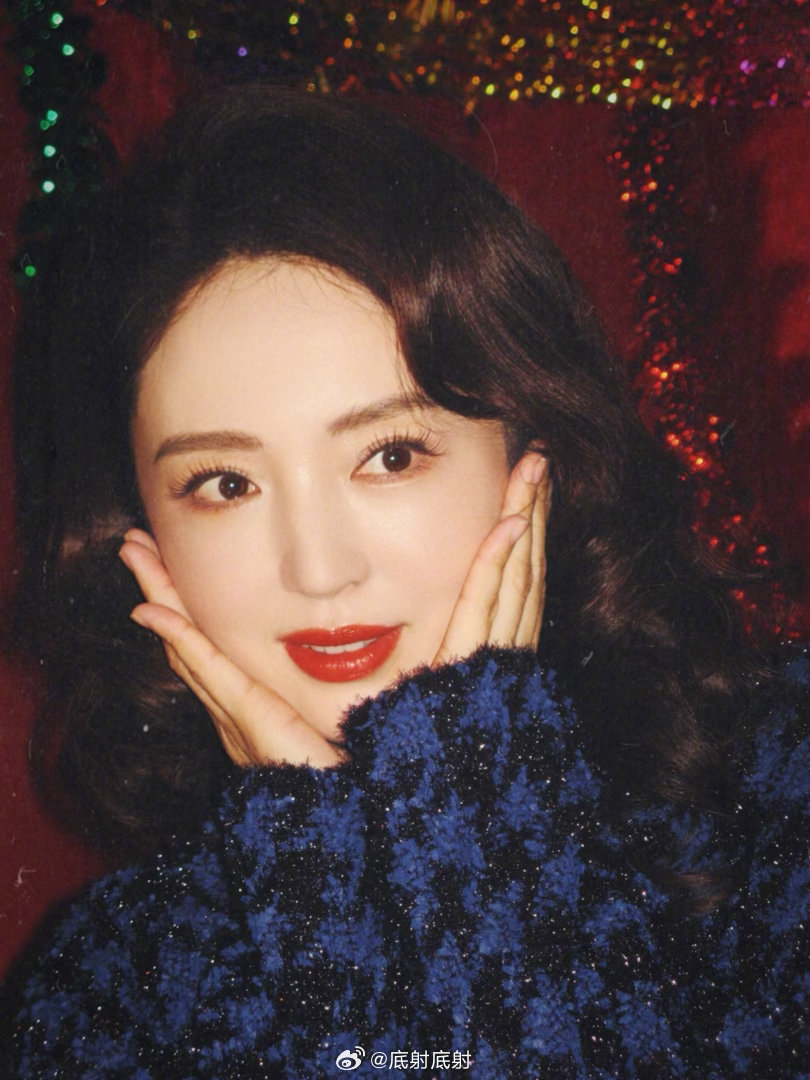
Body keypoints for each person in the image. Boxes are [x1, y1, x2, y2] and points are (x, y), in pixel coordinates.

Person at [3, 86, 808, 1078]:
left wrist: (476, 817)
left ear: (532, 452)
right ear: (142, 531)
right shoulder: (105, 990)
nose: (319, 570)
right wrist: (323, 862)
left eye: (389, 456)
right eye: (225, 483)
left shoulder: (780, 798)